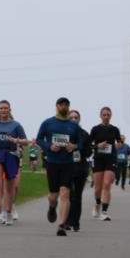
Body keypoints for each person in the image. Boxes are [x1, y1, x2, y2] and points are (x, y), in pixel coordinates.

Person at [35, 97, 82, 237]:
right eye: (61, 105)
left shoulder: (73, 125)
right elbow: (38, 139)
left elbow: (80, 143)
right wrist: (49, 146)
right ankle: (52, 207)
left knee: (65, 193)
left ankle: (62, 224)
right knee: (53, 195)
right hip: (53, 163)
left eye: (66, 105)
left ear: (68, 107)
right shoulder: (48, 123)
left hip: (68, 164)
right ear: (56, 106)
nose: (64, 107)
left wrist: (73, 146)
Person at [0, 100, 28, 225]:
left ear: (10, 110)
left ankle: (8, 212)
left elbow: (25, 141)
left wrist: (16, 140)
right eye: (1, 108)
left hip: (11, 155)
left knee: (9, 188)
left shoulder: (16, 125)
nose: (4, 110)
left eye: (6, 108)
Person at [89, 106, 123, 221]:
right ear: (100, 116)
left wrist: (119, 144)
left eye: (108, 115)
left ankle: (104, 211)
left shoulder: (115, 129)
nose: (106, 117)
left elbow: (119, 141)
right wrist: (97, 146)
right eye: (104, 115)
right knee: (98, 188)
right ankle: (97, 204)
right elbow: (88, 145)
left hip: (111, 159)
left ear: (111, 116)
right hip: (98, 159)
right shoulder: (95, 129)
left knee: (107, 184)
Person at [66, 110, 93, 232]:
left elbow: (89, 152)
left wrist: (77, 147)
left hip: (80, 167)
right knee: (67, 194)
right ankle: (66, 220)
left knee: (77, 196)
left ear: (79, 119)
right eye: (71, 117)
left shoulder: (84, 134)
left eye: (76, 117)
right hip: (66, 166)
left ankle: (75, 222)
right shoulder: (63, 132)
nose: (73, 119)